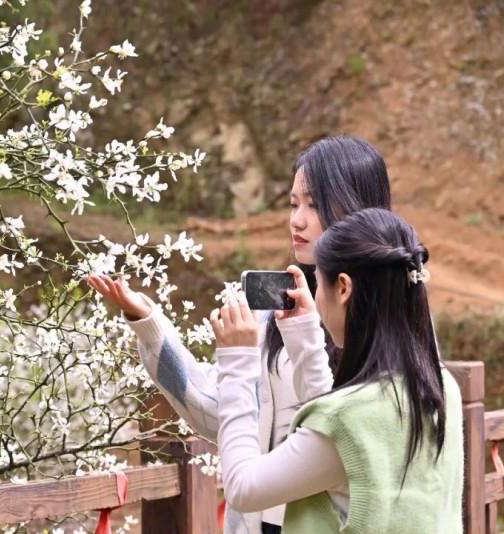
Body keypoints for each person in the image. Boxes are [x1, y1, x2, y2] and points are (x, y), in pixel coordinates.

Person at [85, 136, 391, 534]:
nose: (297, 220)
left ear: (357, 208)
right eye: (293, 204)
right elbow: (216, 407)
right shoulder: (280, 311)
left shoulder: (394, 332)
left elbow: (347, 437)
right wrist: (148, 322)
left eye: (314, 205)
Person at [214, 208, 462, 532]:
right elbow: (340, 427)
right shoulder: (441, 387)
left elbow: (242, 487)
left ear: (343, 288)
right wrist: (304, 336)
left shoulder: (347, 422)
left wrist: (237, 362)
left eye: (317, 282)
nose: (316, 298)